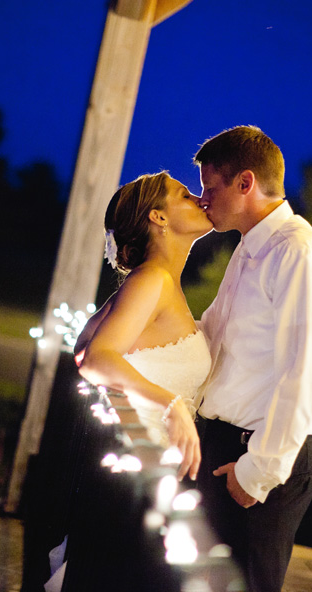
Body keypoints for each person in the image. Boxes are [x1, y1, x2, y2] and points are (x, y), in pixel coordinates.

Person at [193, 126, 312, 592]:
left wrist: (257, 472)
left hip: (264, 457)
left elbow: (305, 375)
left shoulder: (300, 255)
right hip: (225, 447)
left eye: (210, 187)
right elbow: (213, 335)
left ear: (245, 183)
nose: (204, 200)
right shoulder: (250, 248)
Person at [75, 170, 213, 481]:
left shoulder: (158, 282)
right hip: (135, 469)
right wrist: (172, 405)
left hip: (153, 469)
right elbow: (95, 360)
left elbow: (81, 349)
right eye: (185, 195)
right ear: (158, 217)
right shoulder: (153, 279)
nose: (199, 199)